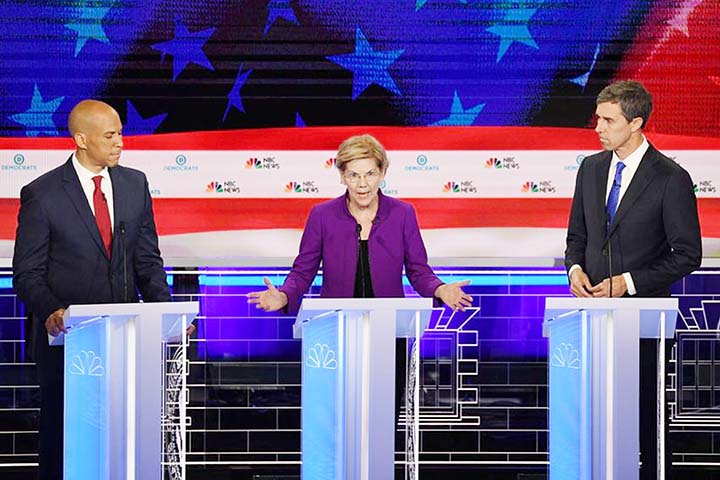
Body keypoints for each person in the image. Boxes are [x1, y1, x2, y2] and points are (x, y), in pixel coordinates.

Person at [12, 99, 172, 480]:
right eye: (110, 135)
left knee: (123, 433)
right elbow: (27, 272)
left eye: (120, 133)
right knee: (64, 437)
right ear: (81, 139)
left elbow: (147, 259)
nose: (120, 142)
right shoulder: (43, 193)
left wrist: (163, 312)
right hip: (67, 343)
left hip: (126, 340)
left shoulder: (135, 184)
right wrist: (52, 310)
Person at [565, 80, 702, 479]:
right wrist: (575, 270)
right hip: (590, 317)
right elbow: (577, 236)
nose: (598, 127)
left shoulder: (670, 178)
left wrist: (628, 282)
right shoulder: (590, 169)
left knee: (645, 415)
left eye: (608, 120)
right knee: (593, 413)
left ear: (636, 122)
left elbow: (687, 255)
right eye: (598, 118)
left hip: (644, 320)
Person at [248, 133, 472, 313]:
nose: (362, 184)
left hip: (388, 325)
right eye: (354, 175)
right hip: (335, 324)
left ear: (382, 173)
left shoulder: (402, 214)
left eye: (370, 174)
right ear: (343, 176)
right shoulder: (322, 215)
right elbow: (303, 272)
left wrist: (440, 290)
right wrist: (284, 295)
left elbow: (418, 271)